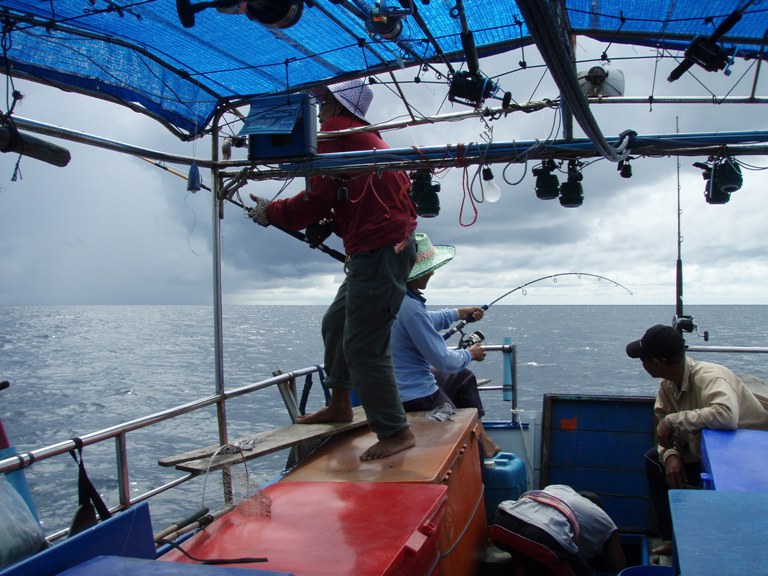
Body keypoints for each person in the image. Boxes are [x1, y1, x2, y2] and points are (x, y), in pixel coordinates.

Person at [247, 78, 418, 461]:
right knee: (336, 323)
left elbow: (315, 198)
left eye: (324, 103)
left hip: (378, 252)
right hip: (379, 248)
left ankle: (395, 430)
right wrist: (333, 225)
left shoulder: (335, 135)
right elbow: (352, 199)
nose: (319, 111)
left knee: (364, 347)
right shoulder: (362, 136)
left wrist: (271, 213)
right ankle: (340, 403)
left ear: (339, 108)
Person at [626, 323, 768, 555]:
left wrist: (673, 421)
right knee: (655, 461)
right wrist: (671, 454)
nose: (642, 364)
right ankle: (673, 539)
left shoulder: (710, 377)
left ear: (658, 362)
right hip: (706, 452)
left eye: (644, 358)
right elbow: (664, 432)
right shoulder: (667, 388)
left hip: (746, 457)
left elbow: (726, 416)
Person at [390, 232, 501, 458]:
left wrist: (457, 313)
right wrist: (470, 354)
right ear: (414, 273)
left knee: (464, 377)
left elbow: (422, 322)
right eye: (428, 268)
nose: (432, 272)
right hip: (415, 397)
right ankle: (478, 454)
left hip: (395, 387)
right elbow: (442, 360)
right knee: (462, 430)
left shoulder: (397, 298)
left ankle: (485, 440)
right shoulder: (410, 309)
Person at [490, 484, 627, 576]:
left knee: (530, 558)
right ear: (596, 506)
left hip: (501, 522)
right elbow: (619, 567)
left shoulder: (558, 488)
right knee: (583, 572)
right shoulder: (603, 520)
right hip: (539, 536)